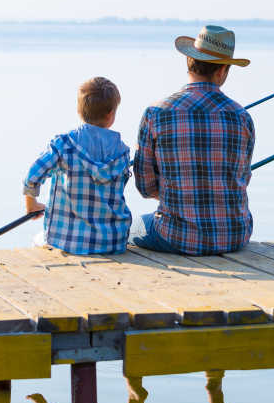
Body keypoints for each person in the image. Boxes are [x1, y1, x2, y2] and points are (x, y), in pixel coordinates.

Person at [132, 25, 254, 256]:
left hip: (175, 236)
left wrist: (173, 191)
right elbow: (242, 179)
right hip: (235, 235)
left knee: (134, 225)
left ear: (189, 61)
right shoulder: (242, 117)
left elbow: (144, 186)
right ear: (222, 72)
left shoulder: (156, 113)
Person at [23, 77, 132, 254]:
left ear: (79, 111)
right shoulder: (122, 152)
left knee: (37, 240)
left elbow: (32, 177)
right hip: (112, 241)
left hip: (66, 241)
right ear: (111, 115)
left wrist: (32, 204)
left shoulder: (63, 145)